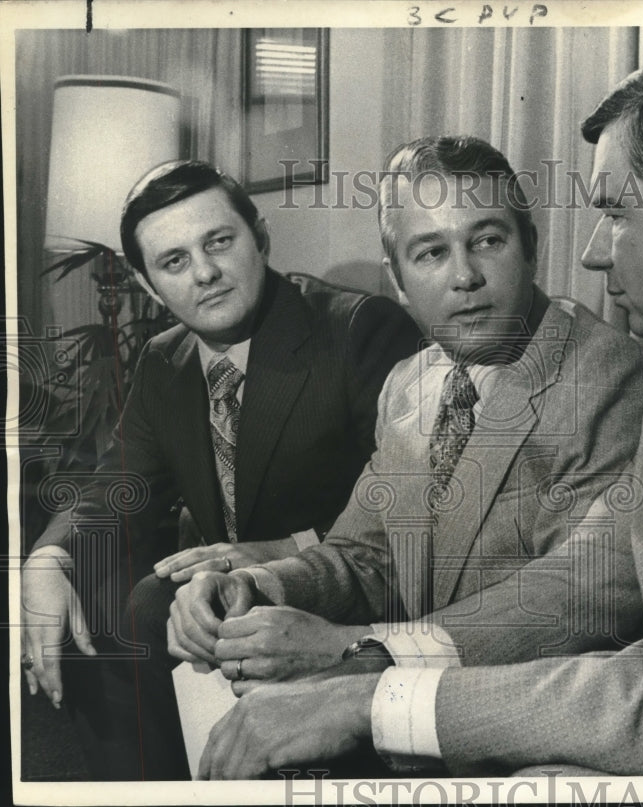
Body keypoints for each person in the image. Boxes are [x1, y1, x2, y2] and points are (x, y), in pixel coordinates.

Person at [194, 38, 643, 779]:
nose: (592, 254)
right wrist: (364, 660)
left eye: (615, 213)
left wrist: (369, 699)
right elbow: (585, 576)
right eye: (428, 254)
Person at [164, 135, 643, 737]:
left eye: (488, 240)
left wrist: (359, 651)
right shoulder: (410, 383)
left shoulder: (605, 375)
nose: (465, 277)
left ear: (531, 249)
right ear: (397, 281)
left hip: (520, 730)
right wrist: (257, 585)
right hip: (406, 706)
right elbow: (366, 555)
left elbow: (575, 602)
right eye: (430, 253)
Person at [19, 160, 421, 779]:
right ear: (149, 284)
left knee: (150, 607)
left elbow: (414, 511)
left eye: (219, 242)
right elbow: (115, 487)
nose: (204, 273)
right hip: (217, 606)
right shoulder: (165, 361)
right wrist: (48, 559)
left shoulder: (359, 329)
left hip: (337, 604)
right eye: (174, 262)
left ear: (259, 238)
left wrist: (285, 548)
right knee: (97, 608)